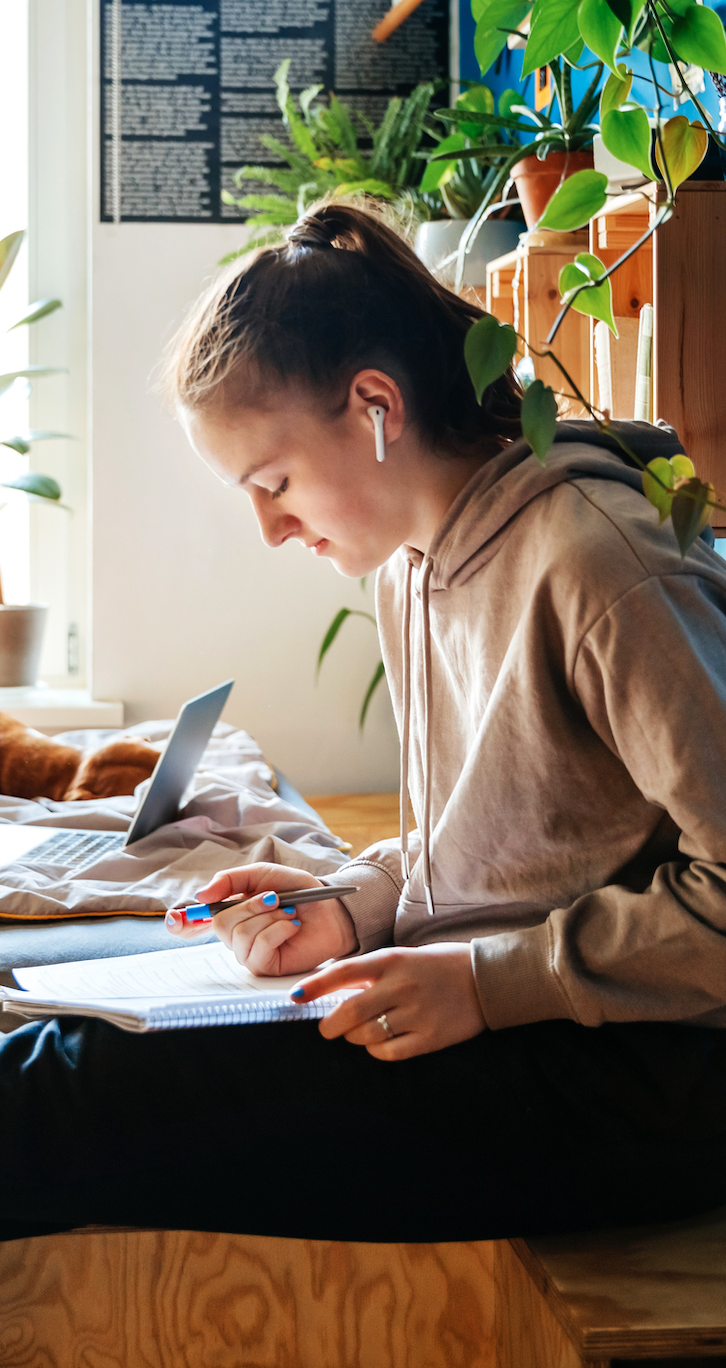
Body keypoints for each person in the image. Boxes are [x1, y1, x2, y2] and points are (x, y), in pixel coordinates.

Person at [2, 201, 726, 1244]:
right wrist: (354, 901)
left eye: (275, 483)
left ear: (376, 404)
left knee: (63, 1098)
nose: (270, 528)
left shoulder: (599, 562)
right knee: (60, 1042)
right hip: (527, 1022)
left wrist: (484, 982)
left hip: (650, 1075)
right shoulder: (412, 567)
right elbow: (498, 843)